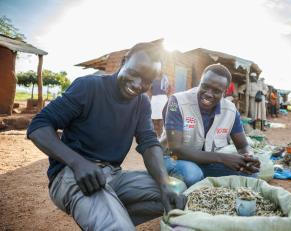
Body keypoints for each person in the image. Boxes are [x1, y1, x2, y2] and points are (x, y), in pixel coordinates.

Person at [27, 42, 186, 230]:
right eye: (134, 73)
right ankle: (111, 220)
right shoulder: (88, 87)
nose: (138, 85)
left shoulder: (142, 103)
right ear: (124, 61)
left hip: (113, 176)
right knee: (115, 224)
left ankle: (110, 217)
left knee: (177, 192)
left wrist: (163, 182)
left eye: (147, 80)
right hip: (72, 174)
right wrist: (78, 163)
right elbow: (38, 126)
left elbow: (149, 143)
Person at [162, 64, 260, 187]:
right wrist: (222, 158)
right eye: (205, 86)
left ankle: (203, 183)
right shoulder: (177, 102)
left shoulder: (230, 110)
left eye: (217, 91)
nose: (208, 94)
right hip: (173, 160)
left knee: (249, 175)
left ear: (224, 92)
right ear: (200, 82)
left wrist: (249, 158)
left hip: (206, 163)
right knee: (192, 174)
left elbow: (243, 146)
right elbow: (175, 149)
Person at [150, 72, 169, 137]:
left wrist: (167, 98)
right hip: (154, 99)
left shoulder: (165, 78)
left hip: (162, 99)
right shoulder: (152, 78)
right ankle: (155, 137)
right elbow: (150, 89)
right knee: (154, 119)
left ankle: (160, 137)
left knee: (161, 119)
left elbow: (168, 89)